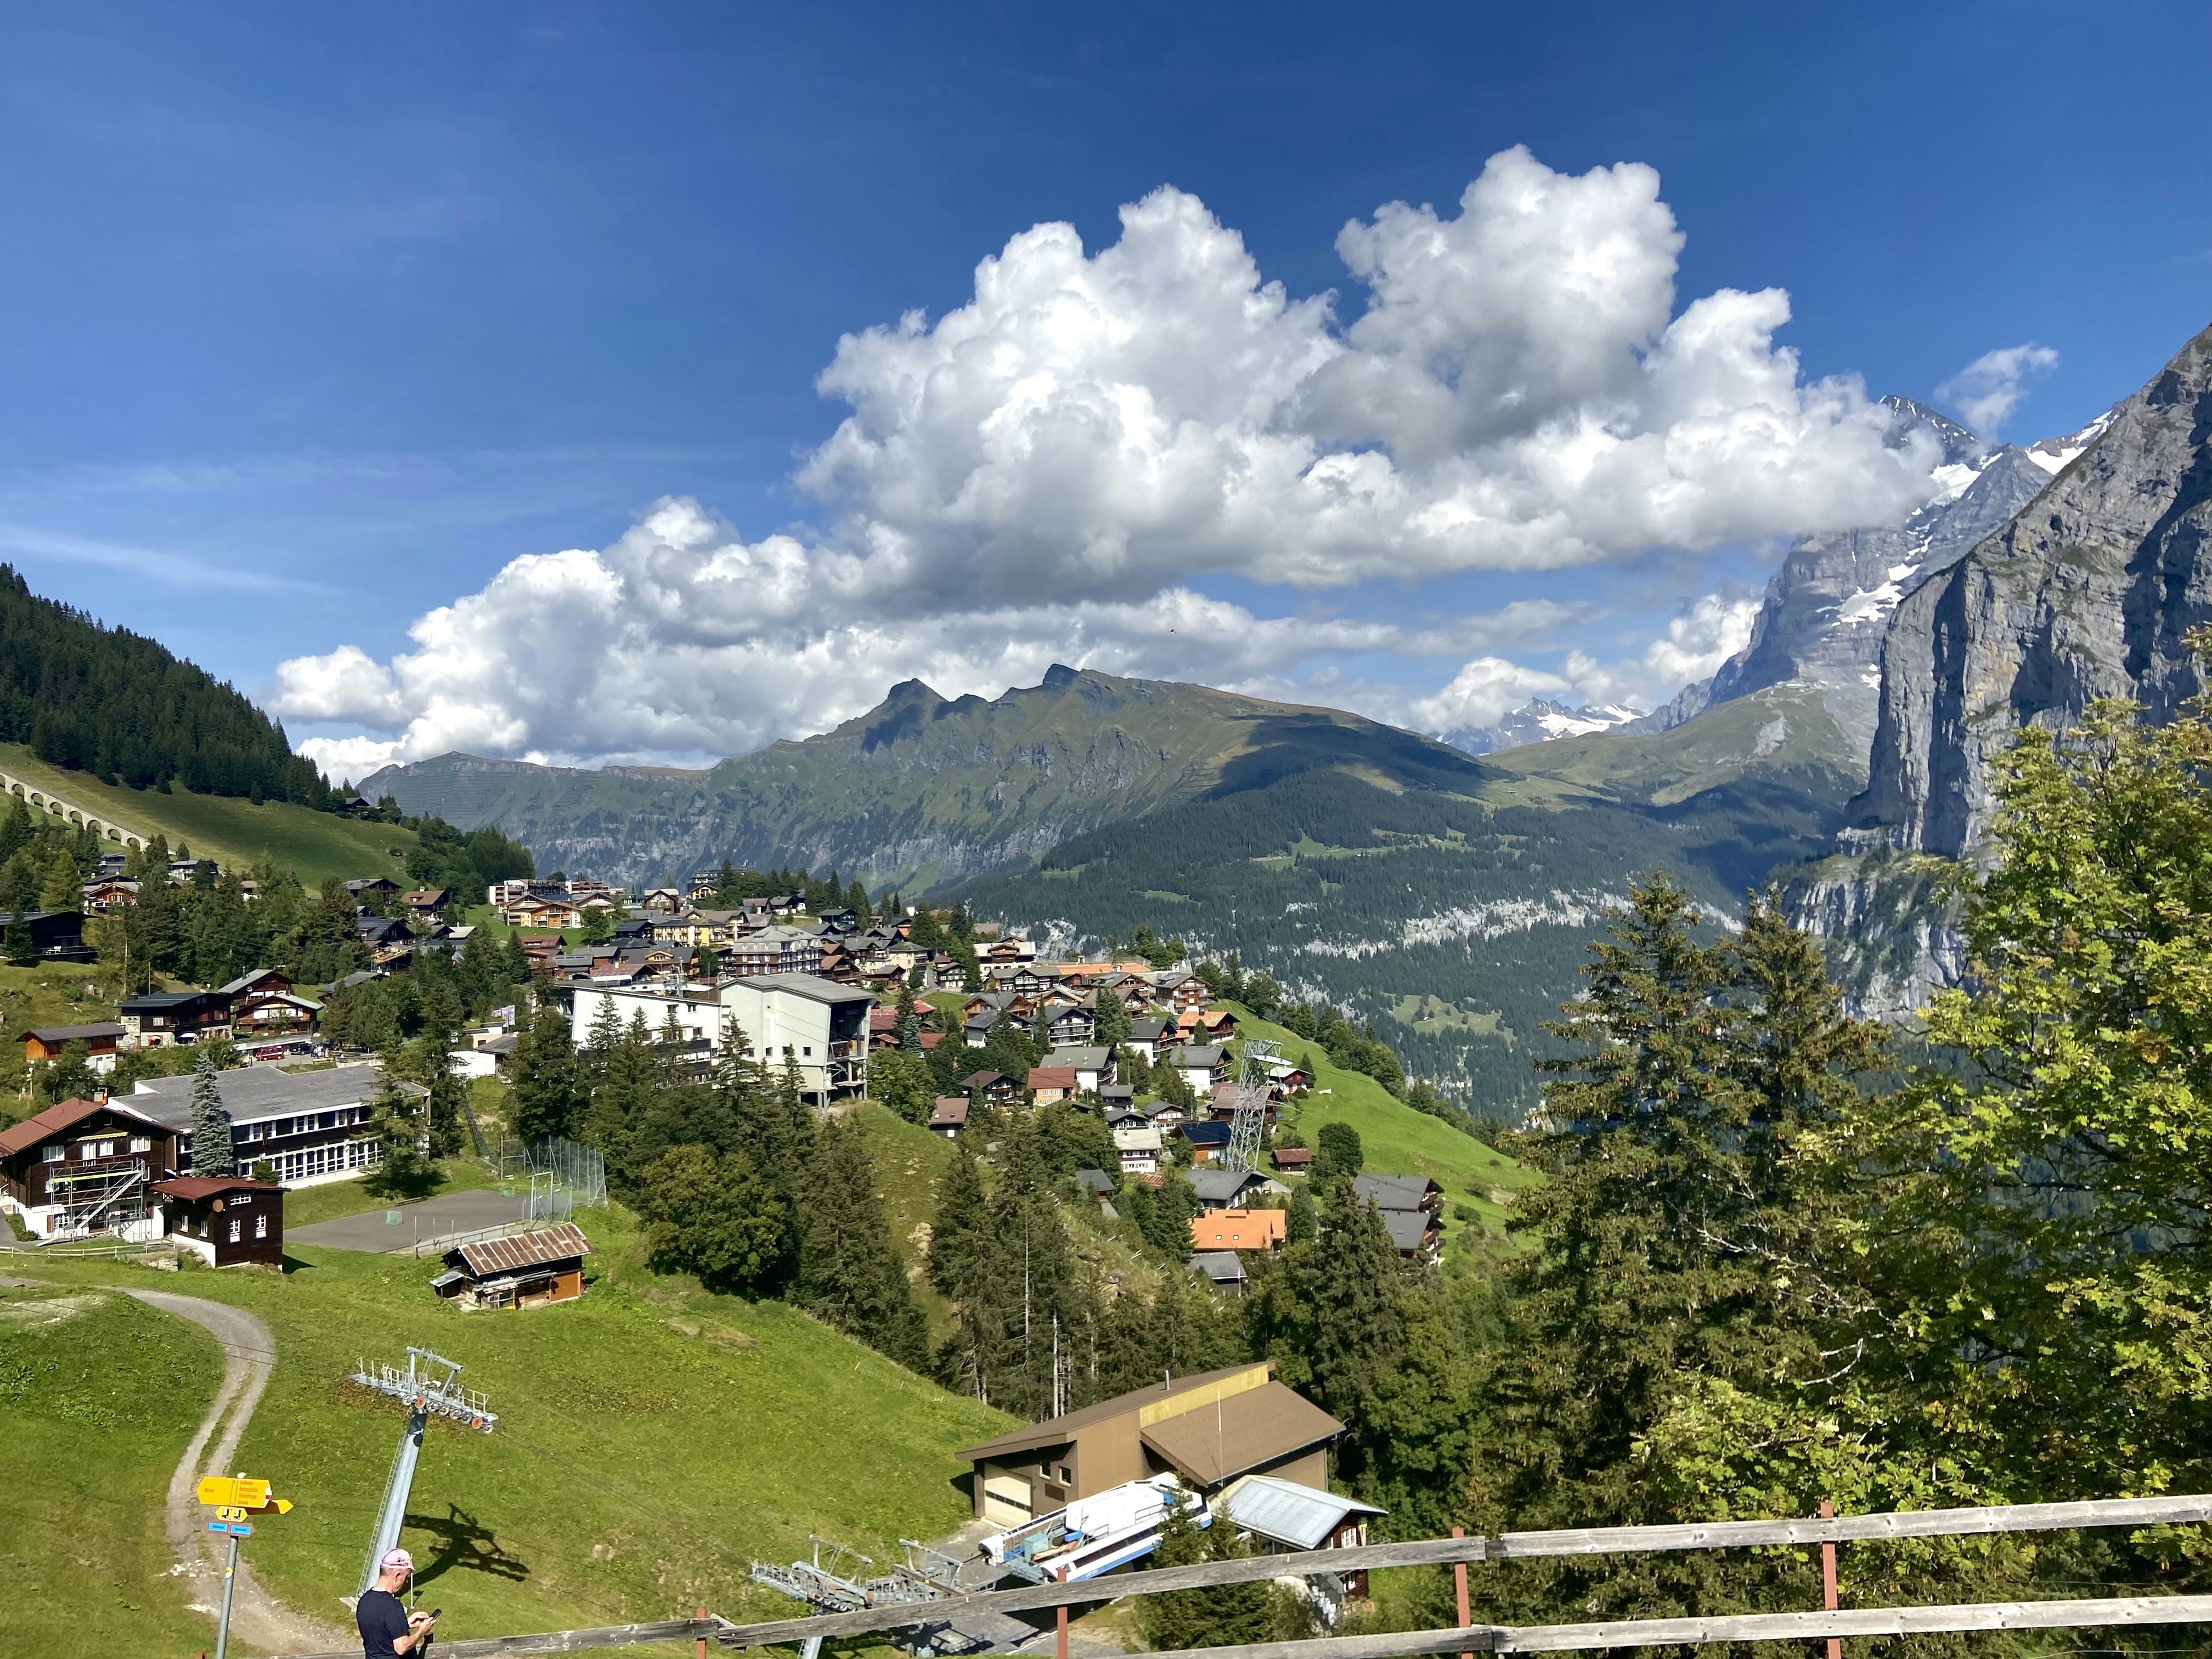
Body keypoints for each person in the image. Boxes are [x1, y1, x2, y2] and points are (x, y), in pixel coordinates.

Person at [356, 1548, 437, 1657]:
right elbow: (401, 1648)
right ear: (397, 1576)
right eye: (406, 1578)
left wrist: (405, 1624)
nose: (405, 1582)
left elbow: (379, 1631)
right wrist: (421, 1631)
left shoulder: (365, 1600)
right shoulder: (392, 1606)